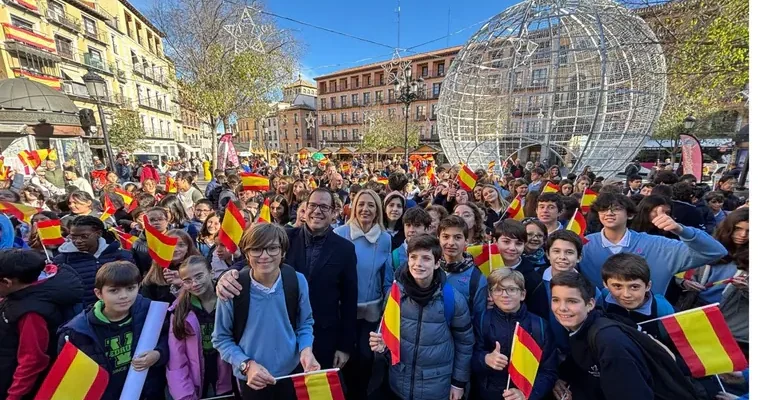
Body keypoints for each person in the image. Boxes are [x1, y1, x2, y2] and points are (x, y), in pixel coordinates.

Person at [217, 188, 358, 372]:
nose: (317, 211)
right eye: (313, 205)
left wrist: (345, 346)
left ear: (333, 213)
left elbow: (349, 300)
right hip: (284, 336)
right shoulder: (285, 237)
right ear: (305, 209)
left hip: (323, 336)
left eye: (324, 207)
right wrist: (226, 275)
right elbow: (251, 258)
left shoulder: (345, 249)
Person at [550, 272, 701, 400]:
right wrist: (561, 378)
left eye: (572, 301)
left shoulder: (609, 342)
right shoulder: (585, 327)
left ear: (590, 304)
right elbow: (579, 360)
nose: (562, 308)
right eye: (556, 300)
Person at [212, 224, 319, 399]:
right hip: (252, 378)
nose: (264, 255)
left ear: (283, 252)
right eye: (256, 249)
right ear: (246, 253)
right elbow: (221, 339)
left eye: (272, 248)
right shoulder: (232, 289)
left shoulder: (297, 281)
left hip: (291, 373)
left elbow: (305, 323)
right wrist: (247, 365)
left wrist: (306, 349)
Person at [368, 235, 473, 400]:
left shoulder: (453, 300)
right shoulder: (394, 295)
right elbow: (387, 334)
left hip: (436, 387)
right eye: (413, 257)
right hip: (398, 384)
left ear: (437, 263)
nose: (418, 264)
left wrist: (458, 383)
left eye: (426, 258)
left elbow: (465, 344)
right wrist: (383, 346)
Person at [59, 261, 168, 400]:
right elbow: (71, 379)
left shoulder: (151, 312)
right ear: (99, 293)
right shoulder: (77, 331)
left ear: (138, 287)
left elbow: (168, 339)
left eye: (130, 288)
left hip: (147, 392)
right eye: (114, 290)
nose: (124, 296)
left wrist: (159, 354)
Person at [579, 193, 727, 295]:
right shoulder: (584, 245)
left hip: (650, 323)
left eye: (616, 209)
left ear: (630, 214)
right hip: (598, 324)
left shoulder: (658, 245)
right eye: (603, 209)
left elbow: (715, 252)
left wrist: (681, 230)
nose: (609, 213)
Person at [0, 249, 83, 400]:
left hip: (15, 385)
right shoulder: (32, 289)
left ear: (7, 282)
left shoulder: (31, 314)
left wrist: (14, 396)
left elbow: (32, 360)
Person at [333, 189, 392, 399]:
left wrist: (388, 301)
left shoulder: (385, 238)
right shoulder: (339, 233)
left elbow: (386, 274)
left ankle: (361, 393)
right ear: (354, 207)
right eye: (361, 204)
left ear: (377, 210)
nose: (365, 209)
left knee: (366, 357)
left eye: (371, 205)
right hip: (345, 309)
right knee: (346, 355)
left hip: (372, 308)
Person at [472, 268, 558, 400]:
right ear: (490, 295)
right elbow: (468, 357)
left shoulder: (540, 326)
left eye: (511, 289)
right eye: (498, 290)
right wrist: (485, 359)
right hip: (488, 394)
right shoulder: (481, 320)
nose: (505, 295)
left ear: (523, 294)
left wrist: (527, 394)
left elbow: (548, 371)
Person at [167, 255, 232, 399]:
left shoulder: (230, 301)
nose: (194, 283)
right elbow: (177, 359)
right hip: (195, 376)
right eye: (187, 281)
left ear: (211, 272)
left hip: (228, 373)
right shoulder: (179, 311)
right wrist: (185, 395)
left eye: (199, 276)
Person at [53, 216, 134, 306]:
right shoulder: (62, 261)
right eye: (73, 237)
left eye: (84, 236)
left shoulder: (122, 255)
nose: (78, 241)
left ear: (98, 234)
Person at [439, 215, 488, 326]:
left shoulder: (477, 279)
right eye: (446, 237)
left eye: (457, 237)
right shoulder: (430, 269)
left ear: (466, 241)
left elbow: (479, 320)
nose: (451, 243)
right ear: (438, 238)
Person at [493, 220, 542, 312]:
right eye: (506, 242)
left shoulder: (533, 279)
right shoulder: (483, 269)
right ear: (495, 241)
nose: (512, 248)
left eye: (519, 243)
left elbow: (538, 314)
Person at [141, 229, 201, 304]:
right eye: (170, 244)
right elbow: (145, 302)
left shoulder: (197, 269)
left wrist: (182, 284)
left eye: (181, 245)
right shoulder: (155, 271)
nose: (175, 249)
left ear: (188, 248)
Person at [390, 207, 432, 272]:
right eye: (408, 225)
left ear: (427, 229)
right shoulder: (394, 256)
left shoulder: (434, 252)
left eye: (417, 225)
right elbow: (388, 281)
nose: (411, 230)